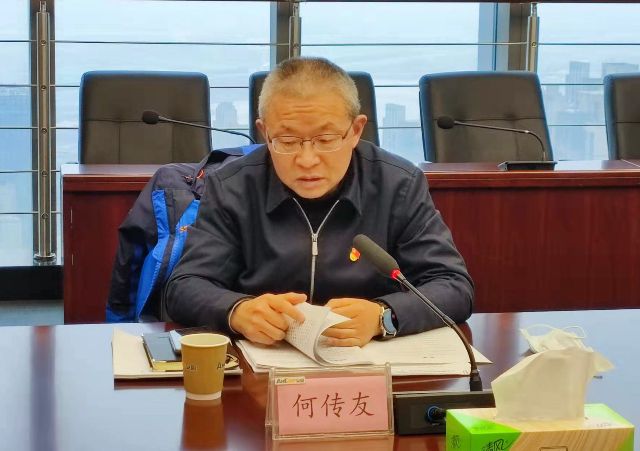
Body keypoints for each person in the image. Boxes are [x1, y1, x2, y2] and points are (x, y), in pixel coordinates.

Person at [165, 56, 473, 347]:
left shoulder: (398, 184)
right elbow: (184, 286)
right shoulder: (231, 187)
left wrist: (385, 315)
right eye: (287, 141)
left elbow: (453, 285)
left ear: (356, 130)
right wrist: (237, 310)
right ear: (264, 133)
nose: (307, 160)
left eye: (326, 140)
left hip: (368, 362)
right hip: (264, 360)